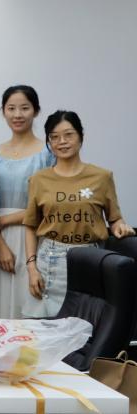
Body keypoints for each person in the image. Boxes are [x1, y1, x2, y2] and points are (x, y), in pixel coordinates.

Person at [23, 110, 133, 317]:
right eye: (54, 137)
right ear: (49, 142)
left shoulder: (102, 177)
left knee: (87, 323)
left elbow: (115, 219)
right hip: (50, 262)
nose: (62, 142)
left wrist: (121, 227)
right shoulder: (38, 180)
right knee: (46, 327)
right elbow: (30, 226)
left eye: (68, 135)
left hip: (91, 259)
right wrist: (31, 268)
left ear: (81, 136)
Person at [0, 86, 55, 320]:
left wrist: (4, 220)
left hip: (33, 235)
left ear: (36, 111)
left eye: (24, 108)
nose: (17, 114)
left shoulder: (48, 152)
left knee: (30, 300)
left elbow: (49, 206)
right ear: (3, 111)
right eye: (11, 108)